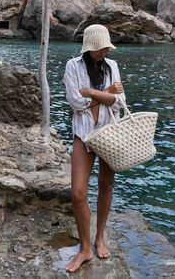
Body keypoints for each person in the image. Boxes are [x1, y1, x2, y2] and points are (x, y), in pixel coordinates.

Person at [63, 24, 125, 273]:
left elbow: (121, 102)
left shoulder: (112, 66)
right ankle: (85, 248)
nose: (103, 52)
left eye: (106, 48)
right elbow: (76, 103)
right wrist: (107, 93)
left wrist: (92, 92)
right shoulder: (73, 66)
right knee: (78, 192)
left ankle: (100, 237)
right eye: (99, 48)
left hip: (109, 133)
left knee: (106, 186)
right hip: (84, 135)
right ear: (89, 47)